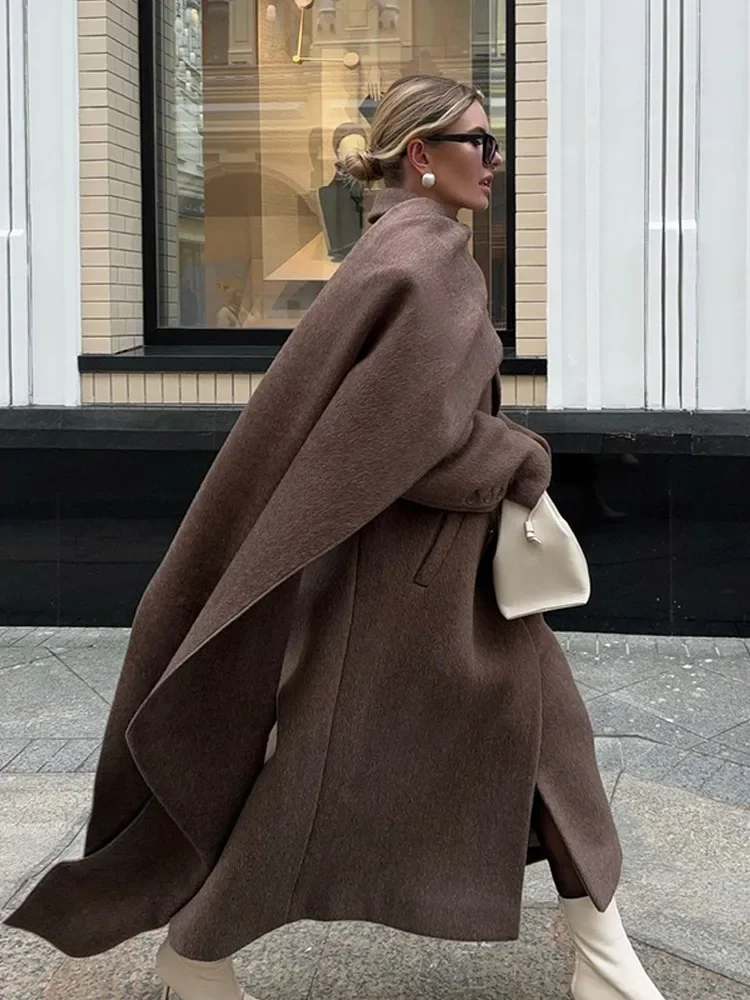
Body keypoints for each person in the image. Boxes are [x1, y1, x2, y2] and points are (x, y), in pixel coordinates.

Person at [5, 75, 665, 1000]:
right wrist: (521, 458)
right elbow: (409, 443)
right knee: (323, 780)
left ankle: (603, 961)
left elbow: (382, 426)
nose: (496, 161)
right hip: (408, 585)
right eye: (479, 142)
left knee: (543, 747)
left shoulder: (401, 250)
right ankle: (195, 953)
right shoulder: (424, 261)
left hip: (430, 575)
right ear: (422, 157)